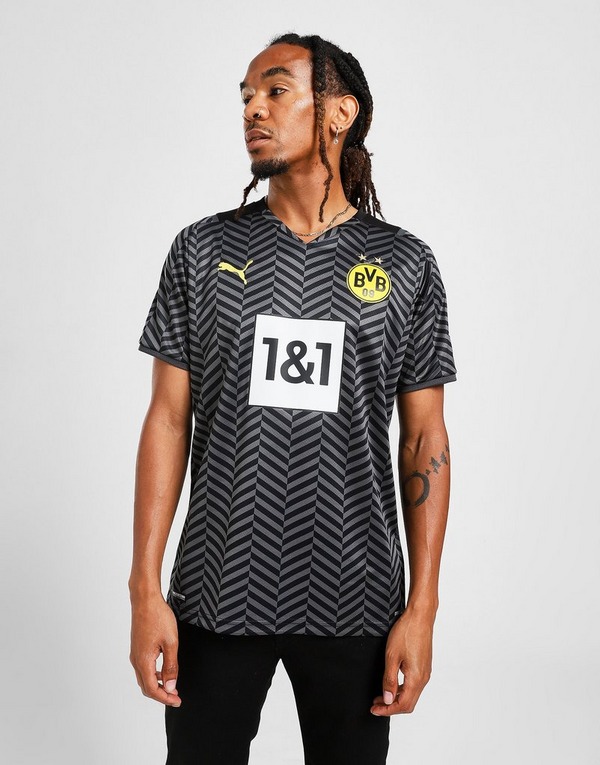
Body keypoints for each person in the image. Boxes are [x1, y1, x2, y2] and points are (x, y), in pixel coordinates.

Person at [129, 31, 458, 765]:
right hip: (218, 589)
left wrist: (423, 608)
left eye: (276, 90)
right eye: (247, 96)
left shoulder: (406, 264)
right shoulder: (201, 251)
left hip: (356, 595)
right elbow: (168, 420)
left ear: (339, 112)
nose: (254, 108)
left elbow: (424, 440)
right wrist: (144, 589)